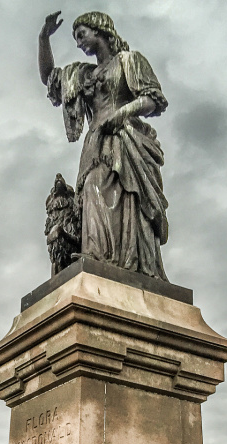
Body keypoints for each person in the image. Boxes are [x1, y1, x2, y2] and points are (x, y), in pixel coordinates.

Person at [39, 10, 170, 281]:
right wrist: (43, 38)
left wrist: (122, 113)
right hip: (95, 143)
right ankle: (97, 255)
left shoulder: (129, 61)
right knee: (91, 192)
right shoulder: (83, 74)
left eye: (81, 35)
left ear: (99, 30)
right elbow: (50, 77)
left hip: (126, 140)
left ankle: (120, 261)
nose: (78, 43)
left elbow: (153, 100)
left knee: (121, 197)